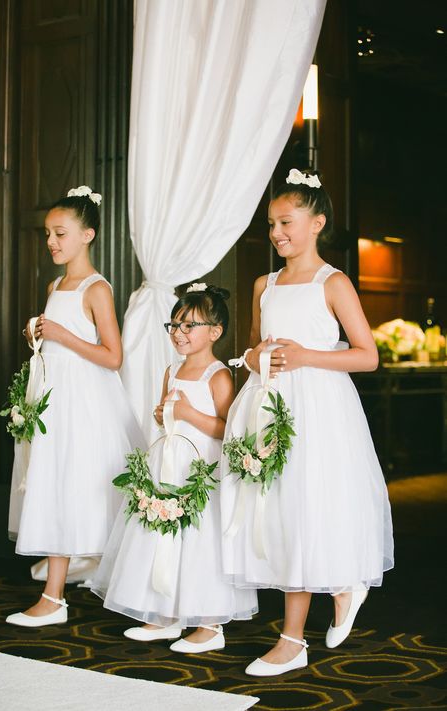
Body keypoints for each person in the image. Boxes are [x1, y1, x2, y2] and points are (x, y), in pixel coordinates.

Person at [220, 168, 394, 676]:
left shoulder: (332, 282)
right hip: (268, 403)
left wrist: (306, 357)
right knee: (272, 508)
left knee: (303, 505)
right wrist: (254, 359)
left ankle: (293, 638)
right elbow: (252, 344)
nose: (276, 233)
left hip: (317, 406)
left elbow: (367, 357)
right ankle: (340, 586)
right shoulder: (263, 284)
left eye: (286, 222)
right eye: (272, 223)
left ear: (317, 223)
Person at [7, 186, 145, 627]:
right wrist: (41, 339)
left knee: (78, 486)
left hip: (84, 402)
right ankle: (54, 594)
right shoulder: (55, 284)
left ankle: (67, 593)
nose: (52, 242)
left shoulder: (96, 288)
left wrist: (64, 336)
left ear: (87, 234)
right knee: (53, 485)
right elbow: (59, 341)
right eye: (48, 233)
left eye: (60, 233)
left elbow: (113, 356)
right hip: (53, 396)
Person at [92, 284, 258, 653]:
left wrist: (187, 414)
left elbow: (226, 429)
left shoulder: (217, 375)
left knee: (200, 541)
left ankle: (209, 623)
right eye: (175, 325)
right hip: (167, 462)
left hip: (201, 468)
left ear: (214, 332)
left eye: (189, 326)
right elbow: (166, 411)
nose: (179, 333)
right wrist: (163, 414)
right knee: (162, 535)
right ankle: (165, 613)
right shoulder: (171, 370)